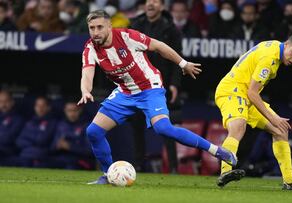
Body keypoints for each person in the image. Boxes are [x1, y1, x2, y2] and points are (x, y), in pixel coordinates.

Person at [78, 10, 237, 184]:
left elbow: (159, 46)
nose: (95, 32)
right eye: (91, 28)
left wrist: (183, 63)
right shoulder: (90, 48)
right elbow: (87, 74)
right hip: (125, 92)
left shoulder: (126, 36)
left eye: (99, 27)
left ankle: (217, 151)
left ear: (109, 26)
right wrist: (86, 91)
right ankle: (108, 175)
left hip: (149, 89)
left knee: (163, 128)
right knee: (93, 131)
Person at [214, 31, 292, 190]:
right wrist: (273, 118)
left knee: (280, 130)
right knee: (238, 127)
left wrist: (275, 121)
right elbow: (252, 93)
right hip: (232, 90)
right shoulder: (270, 58)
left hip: (245, 93)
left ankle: (290, 181)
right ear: (287, 43)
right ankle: (225, 172)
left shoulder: (275, 46)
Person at [130, 0, 182, 173]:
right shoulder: (136, 24)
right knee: (137, 126)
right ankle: (139, 165)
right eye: (148, 1)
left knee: (165, 126)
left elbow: (177, 59)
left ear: (162, 6)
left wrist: (175, 84)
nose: (150, 4)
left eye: (155, 1)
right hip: (136, 84)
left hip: (161, 84)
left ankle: (173, 167)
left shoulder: (171, 29)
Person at [48, 99, 94, 170]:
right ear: (65, 111)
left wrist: (70, 146)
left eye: (75, 110)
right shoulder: (61, 125)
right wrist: (57, 145)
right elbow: (52, 147)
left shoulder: (87, 126)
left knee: (70, 166)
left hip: (81, 160)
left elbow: (90, 151)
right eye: (69, 110)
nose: (72, 113)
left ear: (80, 110)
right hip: (62, 158)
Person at [15, 96, 57, 167]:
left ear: (48, 107)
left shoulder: (53, 123)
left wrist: (30, 140)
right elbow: (19, 141)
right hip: (26, 154)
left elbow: (42, 140)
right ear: (34, 107)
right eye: (38, 105)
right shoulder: (29, 122)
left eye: (43, 106)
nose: (40, 108)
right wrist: (33, 143)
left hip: (43, 156)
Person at [0, 90, 23, 166]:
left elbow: (8, 138)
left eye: (6, 101)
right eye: (1, 101)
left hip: (7, 151)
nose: (3, 104)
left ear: (12, 102)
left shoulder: (18, 119)